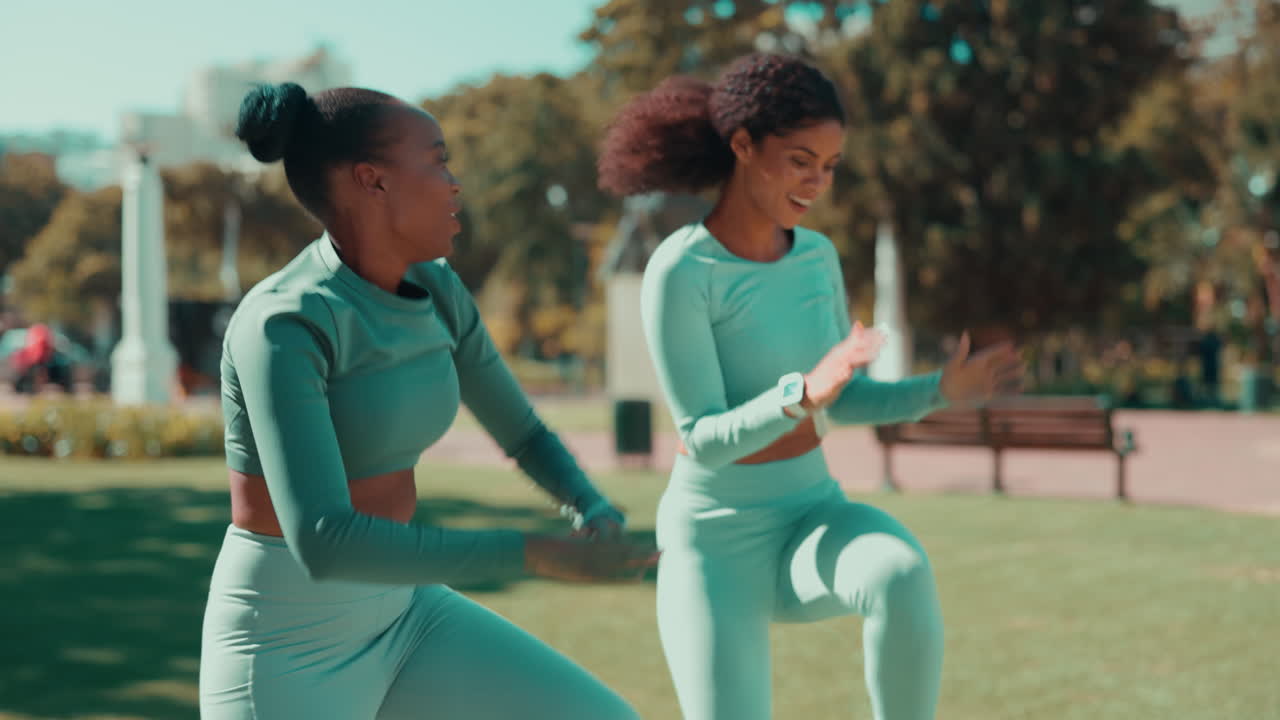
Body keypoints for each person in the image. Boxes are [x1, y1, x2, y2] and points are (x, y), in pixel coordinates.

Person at [199, 82, 656, 720]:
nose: (453, 182)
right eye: (437, 160)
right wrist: (533, 552)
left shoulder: (437, 289)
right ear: (373, 181)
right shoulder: (283, 323)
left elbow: (522, 433)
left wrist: (591, 503)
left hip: (405, 614)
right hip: (286, 641)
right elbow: (324, 540)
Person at [597, 53, 1025, 720]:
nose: (817, 182)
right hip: (715, 545)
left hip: (811, 515)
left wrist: (941, 388)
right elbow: (704, 439)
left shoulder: (817, 256)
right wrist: (804, 391)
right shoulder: (682, 270)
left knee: (900, 573)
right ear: (742, 146)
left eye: (829, 165)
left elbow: (845, 400)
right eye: (800, 160)